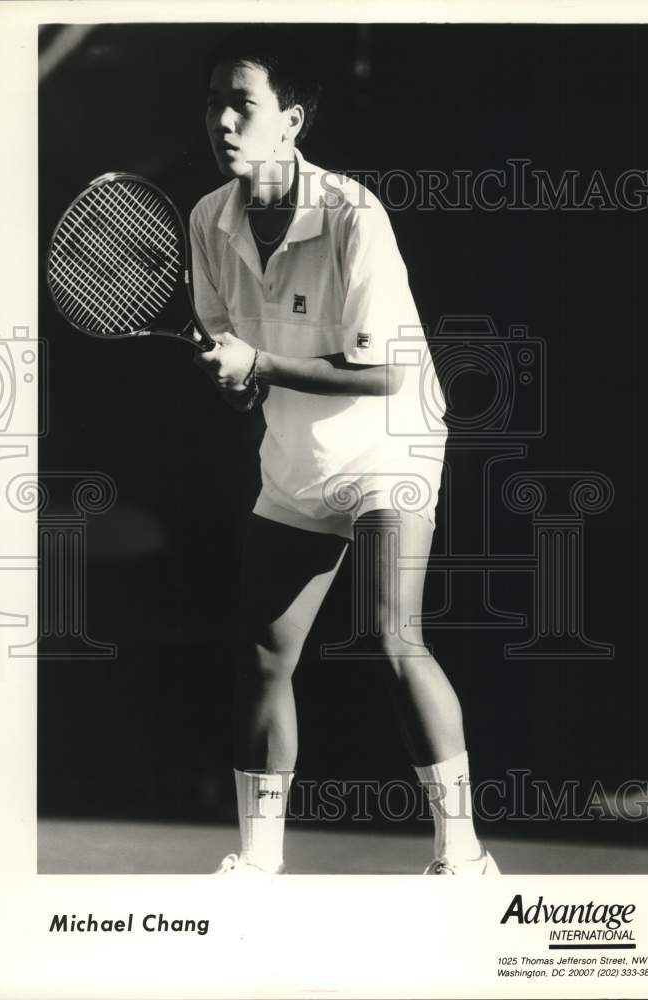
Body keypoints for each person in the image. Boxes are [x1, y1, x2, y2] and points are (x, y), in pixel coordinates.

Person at [191, 28, 498, 876]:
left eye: (241, 103)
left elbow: (380, 373)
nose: (221, 118)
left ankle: (462, 856)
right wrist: (238, 379)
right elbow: (239, 359)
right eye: (212, 100)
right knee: (262, 652)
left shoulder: (353, 214)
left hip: (389, 447)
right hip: (297, 456)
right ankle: (256, 864)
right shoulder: (206, 220)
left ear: (288, 122)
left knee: (392, 633)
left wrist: (255, 363)